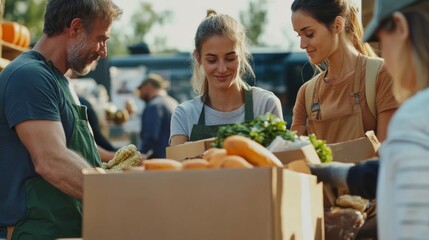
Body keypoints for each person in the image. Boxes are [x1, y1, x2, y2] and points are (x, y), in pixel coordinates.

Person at [0, 0, 122, 239]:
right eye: (101, 39)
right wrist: (117, 199)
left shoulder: (60, 81)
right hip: (34, 231)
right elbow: (51, 159)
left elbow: (76, 153)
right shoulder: (29, 76)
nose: (103, 51)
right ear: (75, 28)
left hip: (60, 230)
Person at [311, 0, 429, 239]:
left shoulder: (415, 116)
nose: (382, 53)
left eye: (383, 42)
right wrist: (335, 173)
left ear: (400, 27)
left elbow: (414, 224)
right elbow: (391, 172)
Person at [290, 0, 399, 143]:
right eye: (299, 35)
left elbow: (388, 151)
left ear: (338, 25)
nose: (302, 45)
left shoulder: (382, 75)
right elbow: (295, 157)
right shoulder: (306, 93)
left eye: (309, 34)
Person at [170, 9, 283, 145]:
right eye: (212, 60)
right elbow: (177, 164)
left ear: (241, 54)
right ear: (198, 57)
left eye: (230, 58)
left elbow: (278, 162)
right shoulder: (184, 114)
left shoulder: (265, 104)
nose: (222, 69)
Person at [137, 73, 178, 158]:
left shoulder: (153, 106)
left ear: (148, 86)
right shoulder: (173, 102)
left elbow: (150, 137)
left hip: (159, 161)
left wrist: (139, 156)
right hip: (174, 159)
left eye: (140, 88)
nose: (139, 92)